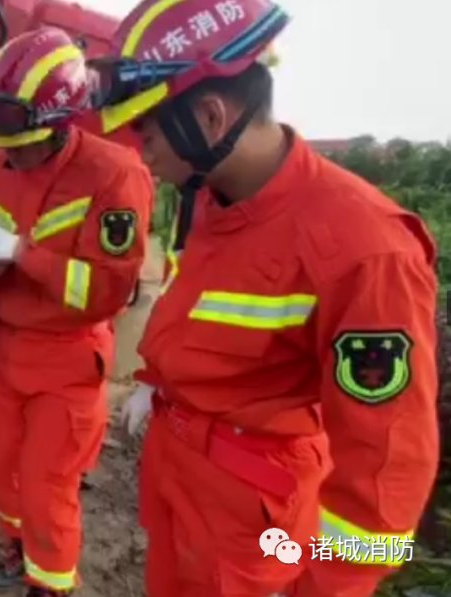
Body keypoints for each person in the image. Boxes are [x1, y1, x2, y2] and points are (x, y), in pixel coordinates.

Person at [94, 1, 440, 595]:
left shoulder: (367, 250)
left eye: (146, 133)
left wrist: (325, 586)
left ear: (210, 117)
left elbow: (388, 473)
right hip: (183, 479)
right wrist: (161, 381)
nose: (141, 153)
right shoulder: (216, 199)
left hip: (260, 523)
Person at [0, 27, 155, 597]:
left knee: (48, 488)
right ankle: (18, 552)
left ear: (60, 123)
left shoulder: (114, 176)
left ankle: (49, 585)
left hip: (66, 360)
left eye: (21, 143)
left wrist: (21, 252)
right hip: (3, 349)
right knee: (1, 471)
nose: (9, 154)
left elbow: (107, 292)